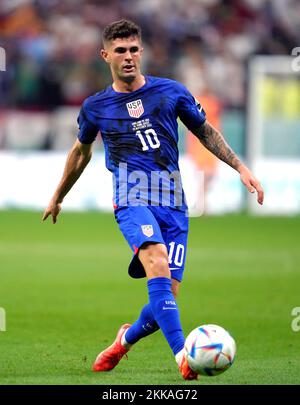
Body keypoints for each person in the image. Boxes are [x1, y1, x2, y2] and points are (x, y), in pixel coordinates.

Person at [43, 19, 264, 380]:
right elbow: (80, 152)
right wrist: (57, 196)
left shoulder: (170, 92)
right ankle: (183, 356)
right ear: (105, 55)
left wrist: (240, 167)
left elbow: (204, 131)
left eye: (133, 50)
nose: (128, 57)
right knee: (156, 262)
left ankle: (123, 341)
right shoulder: (96, 106)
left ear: (141, 51)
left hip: (174, 201)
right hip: (131, 196)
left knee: (166, 300)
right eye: (120, 51)